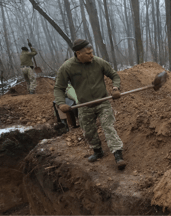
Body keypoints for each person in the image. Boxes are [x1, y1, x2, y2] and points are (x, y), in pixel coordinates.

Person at [54, 39, 126, 170]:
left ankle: (118, 154)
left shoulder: (99, 62)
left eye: (92, 52)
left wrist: (116, 88)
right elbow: (59, 88)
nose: (92, 55)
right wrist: (60, 103)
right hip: (84, 105)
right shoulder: (67, 67)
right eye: (88, 53)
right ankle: (97, 151)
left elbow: (114, 75)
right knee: (88, 131)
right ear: (78, 53)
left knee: (108, 126)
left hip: (103, 101)